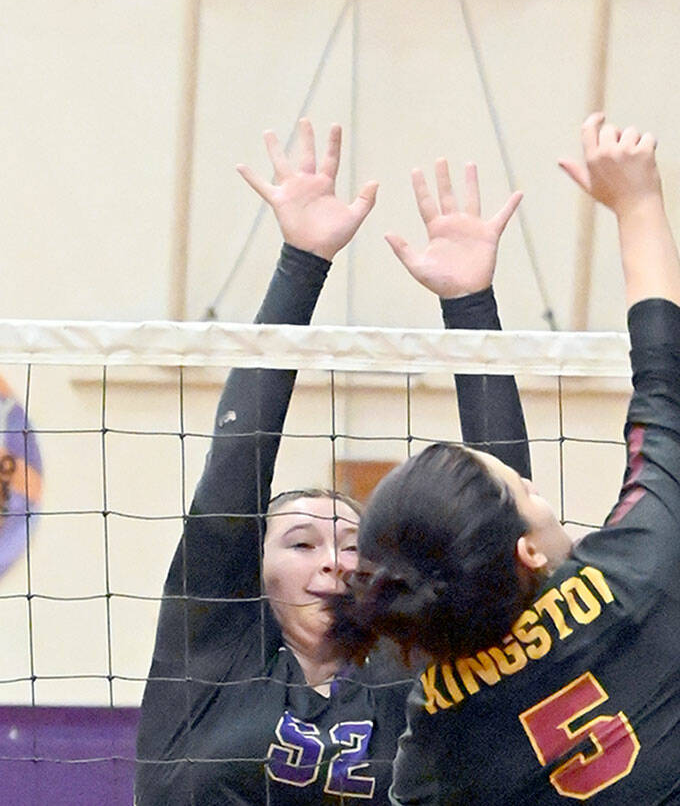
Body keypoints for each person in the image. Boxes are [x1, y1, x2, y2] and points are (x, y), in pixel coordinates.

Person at [331, 114, 680, 805]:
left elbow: (482, 544)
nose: (532, 485)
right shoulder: (638, 579)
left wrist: (468, 307)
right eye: (525, 485)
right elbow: (668, 382)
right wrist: (639, 204)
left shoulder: (434, 737)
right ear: (524, 553)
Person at [134, 120, 531, 804]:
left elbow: (502, 519)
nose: (333, 560)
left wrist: (469, 305)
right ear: (253, 570)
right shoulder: (212, 655)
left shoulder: (417, 671)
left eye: (354, 544)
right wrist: (301, 261)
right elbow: (234, 477)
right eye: (301, 541)